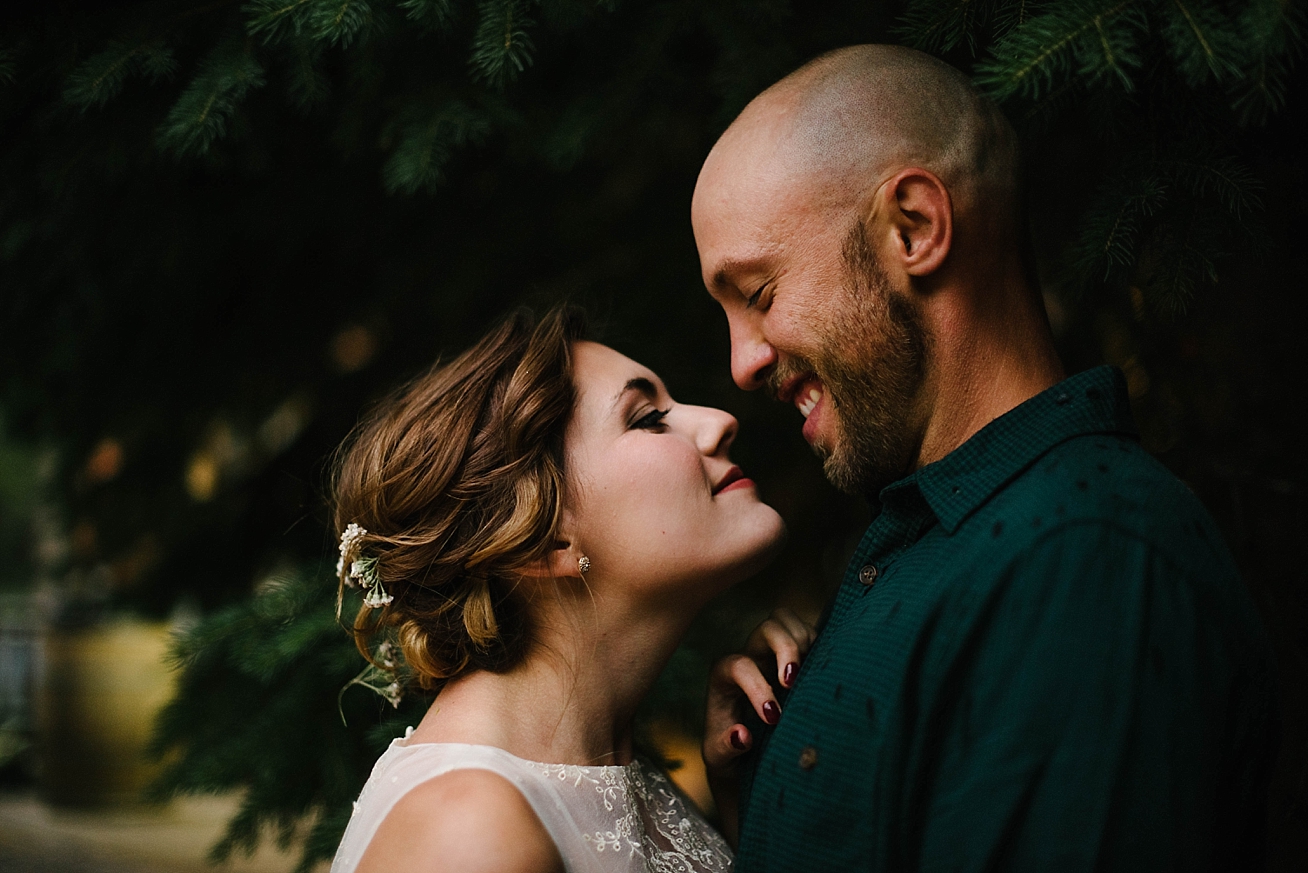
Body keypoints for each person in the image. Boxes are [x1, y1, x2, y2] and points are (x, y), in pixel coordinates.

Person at [693, 45, 1279, 871]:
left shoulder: (1083, 557)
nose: (742, 364)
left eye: (758, 295)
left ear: (915, 229)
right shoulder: (944, 532)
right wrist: (750, 789)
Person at [327, 307, 795, 873]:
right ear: (541, 538)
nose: (719, 420)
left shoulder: (613, 773)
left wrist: (748, 800)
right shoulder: (469, 834)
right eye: (648, 418)